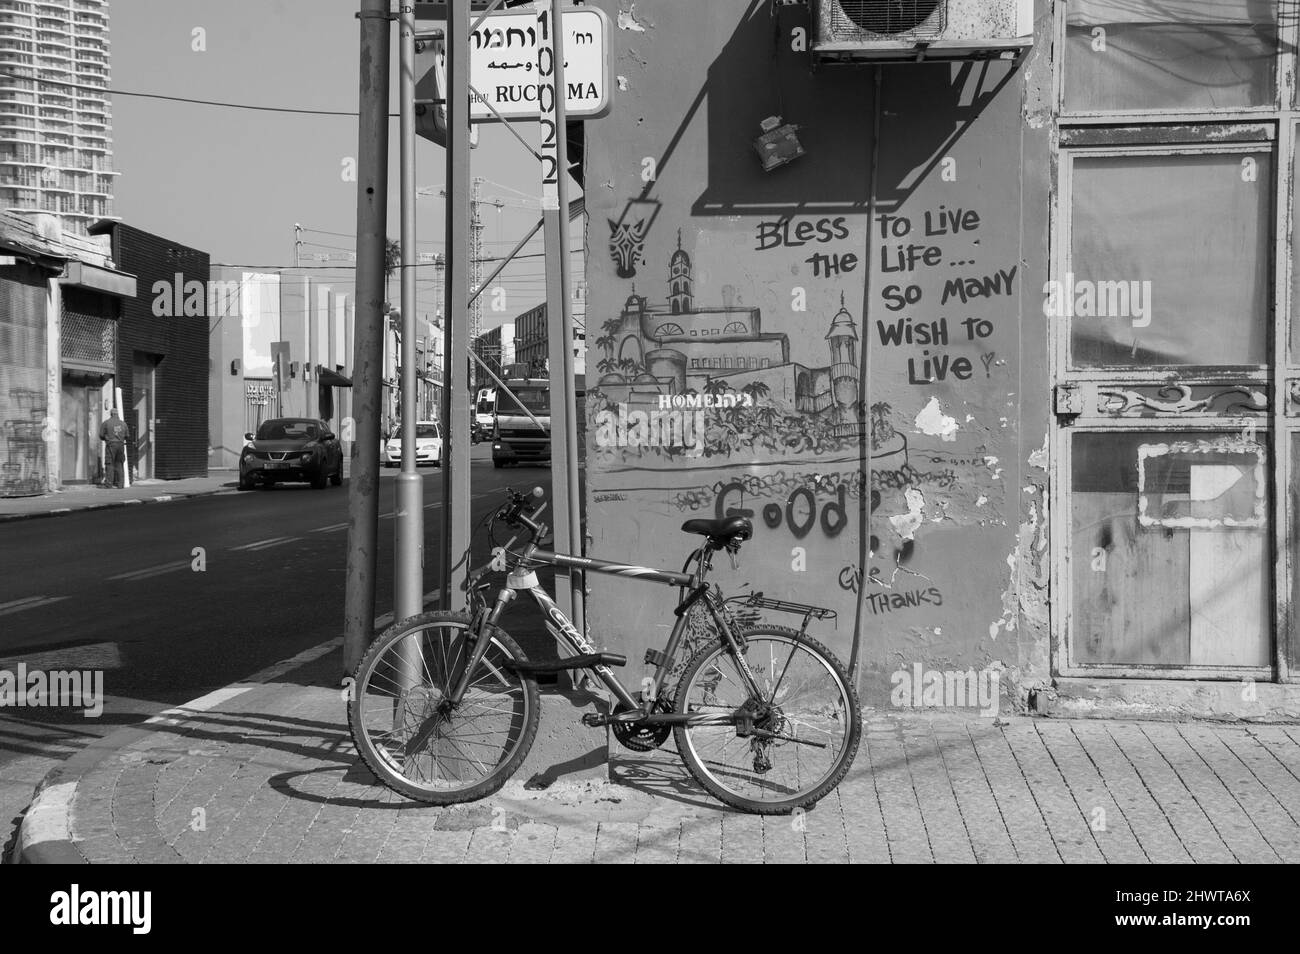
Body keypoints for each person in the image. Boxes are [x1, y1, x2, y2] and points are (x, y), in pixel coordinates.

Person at [99, 407, 128, 489]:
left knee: (109, 464)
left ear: (111, 414)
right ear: (117, 414)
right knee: (119, 464)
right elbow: (127, 436)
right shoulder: (123, 424)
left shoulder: (106, 423)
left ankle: (109, 484)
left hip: (111, 445)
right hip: (121, 445)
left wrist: (106, 438)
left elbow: (101, 435)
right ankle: (120, 484)